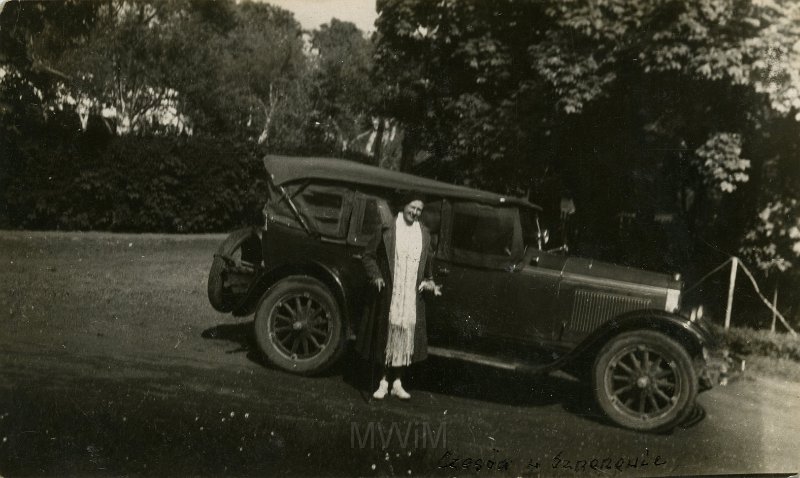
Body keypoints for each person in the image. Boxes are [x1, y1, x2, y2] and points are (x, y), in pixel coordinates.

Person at [355, 192, 441, 400]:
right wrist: (376, 276)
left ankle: (397, 382)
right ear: (404, 206)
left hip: (411, 296)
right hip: (391, 293)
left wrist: (430, 281)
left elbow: (428, 265)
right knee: (388, 334)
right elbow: (368, 256)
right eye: (412, 207)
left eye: (419, 209)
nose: (415, 212)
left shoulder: (424, 234)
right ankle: (383, 382)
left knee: (405, 335)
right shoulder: (388, 229)